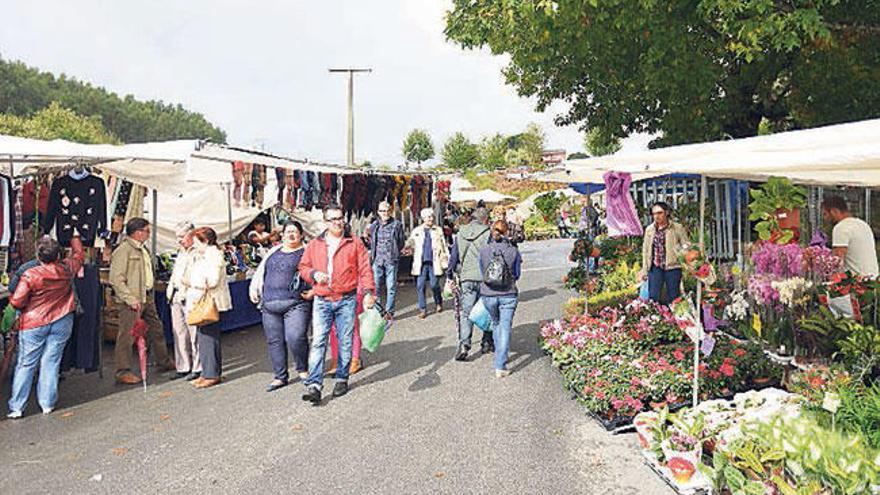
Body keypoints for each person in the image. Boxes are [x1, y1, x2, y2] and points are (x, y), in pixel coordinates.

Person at [298, 205, 376, 404]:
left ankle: (342, 377)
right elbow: (303, 267)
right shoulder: (315, 244)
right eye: (332, 219)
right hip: (322, 299)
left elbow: (365, 270)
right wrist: (314, 274)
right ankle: (314, 385)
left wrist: (368, 292)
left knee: (345, 340)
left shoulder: (354, 243)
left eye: (340, 218)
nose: (337, 222)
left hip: (346, 299)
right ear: (325, 222)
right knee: (318, 341)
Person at [7, 232, 84, 418]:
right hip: (62, 320)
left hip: (34, 323)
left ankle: (17, 407)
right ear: (58, 255)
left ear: (38, 256)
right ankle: (47, 403)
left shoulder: (30, 274)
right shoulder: (67, 268)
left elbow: (16, 301)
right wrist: (75, 237)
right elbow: (79, 255)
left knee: (26, 363)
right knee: (51, 362)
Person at [249, 220, 314, 392]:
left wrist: (314, 291)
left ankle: (303, 369)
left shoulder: (307, 252)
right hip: (269, 303)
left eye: (295, 232)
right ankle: (280, 376)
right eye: (288, 232)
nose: (291, 235)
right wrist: (254, 288)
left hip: (296, 303)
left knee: (295, 337)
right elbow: (261, 271)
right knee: (274, 341)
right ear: (283, 234)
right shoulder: (274, 250)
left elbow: (317, 273)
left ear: (301, 235)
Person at [109, 218, 174, 385]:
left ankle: (163, 361)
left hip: (147, 296)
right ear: (138, 232)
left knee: (156, 329)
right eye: (146, 230)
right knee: (127, 335)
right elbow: (116, 278)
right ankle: (123, 370)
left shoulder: (142, 249)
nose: (149, 233)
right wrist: (129, 298)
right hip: (133, 299)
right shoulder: (124, 251)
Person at [187, 227, 232, 389]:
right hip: (206, 300)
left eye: (196, 242)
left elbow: (212, 281)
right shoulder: (206, 255)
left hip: (209, 301)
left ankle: (211, 374)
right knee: (205, 337)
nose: (194, 245)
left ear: (205, 241)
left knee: (208, 338)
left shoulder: (213, 256)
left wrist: (195, 284)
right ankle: (208, 372)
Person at [478, 221, 522, 378]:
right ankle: (500, 364)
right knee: (504, 327)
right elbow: (517, 274)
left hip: (488, 294)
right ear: (507, 232)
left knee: (495, 324)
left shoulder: (483, 250)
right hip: (508, 294)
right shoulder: (513, 251)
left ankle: (500, 355)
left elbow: (482, 270)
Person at [448, 206, 492, 361]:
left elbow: (454, 256)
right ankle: (487, 341)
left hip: (466, 277)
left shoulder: (461, 232)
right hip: (484, 277)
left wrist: (449, 275)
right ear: (485, 218)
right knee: (487, 309)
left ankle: (464, 345)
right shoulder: (488, 233)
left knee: (466, 312)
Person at [166, 222, 200, 381]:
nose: (179, 240)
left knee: (194, 333)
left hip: (191, 297)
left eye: (182, 236)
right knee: (179, 332)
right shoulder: (181, 252)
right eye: (177, 237)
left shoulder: (199, 251)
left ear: (192, 235)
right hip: (176, 296)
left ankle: (197, 366)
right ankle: (183, 366)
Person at [639, 202, 689, 304]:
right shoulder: (649, 230)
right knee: (653, 296)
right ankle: (656, 318)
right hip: (655, 267)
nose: (656, 216)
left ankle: (675, 318)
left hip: (673, 267)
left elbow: (686, 245)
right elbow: (646, 250)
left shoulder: (677, 228)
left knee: (674, 296)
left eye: (659, 213)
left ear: (666, 213)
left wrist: (682, 256)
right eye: (654, 214)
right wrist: (644, 269)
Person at [405, 208, 450, 319]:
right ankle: (423, 309)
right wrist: (407, 246)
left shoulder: (438, 230)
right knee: (420, 285)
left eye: (431, 216)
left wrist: (446, 258)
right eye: (428, 217)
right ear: (423, 218)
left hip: (434, 262)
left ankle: (438, 302)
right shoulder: (417, 231)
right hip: (421, 263)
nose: (430, 219)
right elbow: (410, 242)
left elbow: (444, 245)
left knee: (434, 285)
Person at [823, 196, 879, 277]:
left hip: (858, 283)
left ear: (834, 211)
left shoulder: (841, 228)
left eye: (825, 214)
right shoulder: (862, 224)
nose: (825, 218)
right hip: (874, 279)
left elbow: (837, 261)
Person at [368, 200, 405, 319]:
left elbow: (401, 241)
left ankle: (389, 312)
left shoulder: (397, 224)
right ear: (378, 212)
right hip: (377, 260)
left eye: (387, 210)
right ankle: (379, 311)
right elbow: (372, 241)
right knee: (376, 287)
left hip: (391, 259)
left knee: (391, 287)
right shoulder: (374, 225)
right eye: (382, 211)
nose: (385, 213)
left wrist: (395, 252)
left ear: (391, 211)